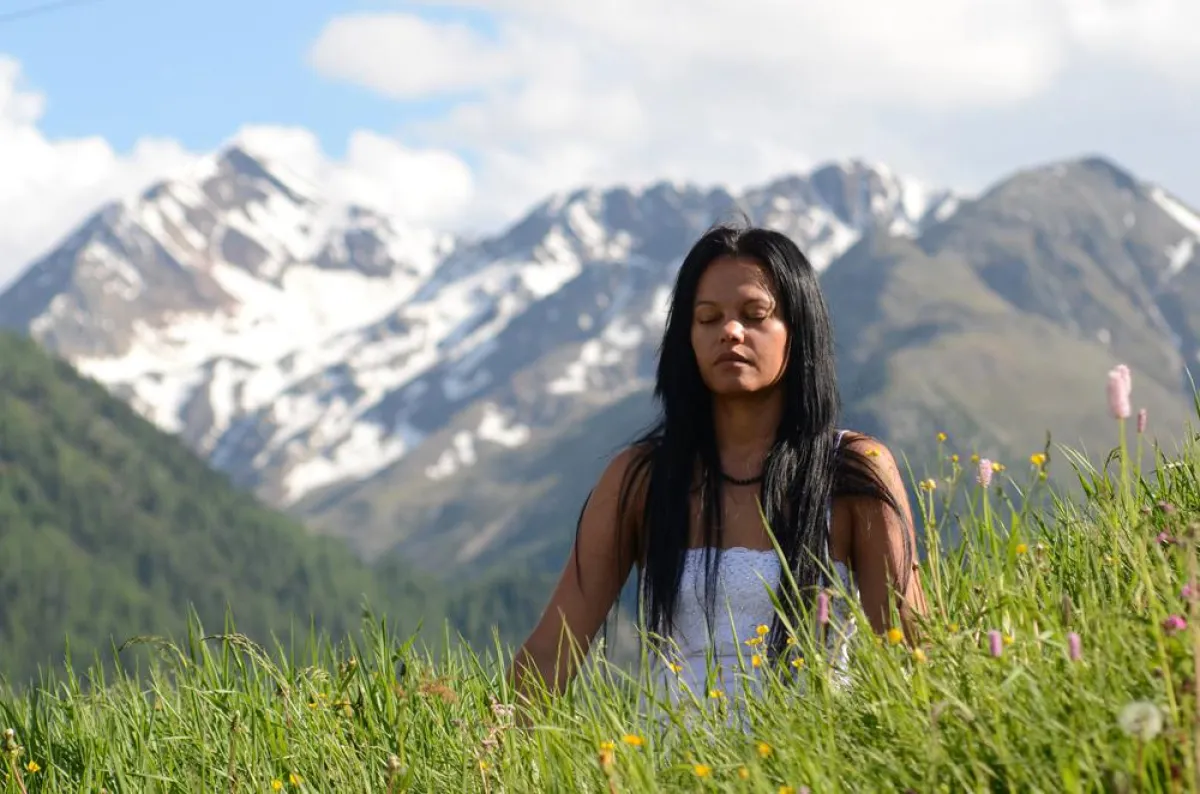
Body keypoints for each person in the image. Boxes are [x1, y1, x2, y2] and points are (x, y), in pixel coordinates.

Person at [507, 222, 927, 712]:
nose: (730, 331)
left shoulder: (853, 471)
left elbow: (911, 657)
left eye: (755, 315)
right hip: (669, 772)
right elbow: (549, 653)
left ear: (799, 329)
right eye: (708, 318)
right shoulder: (642, 478)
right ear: (687, 338)